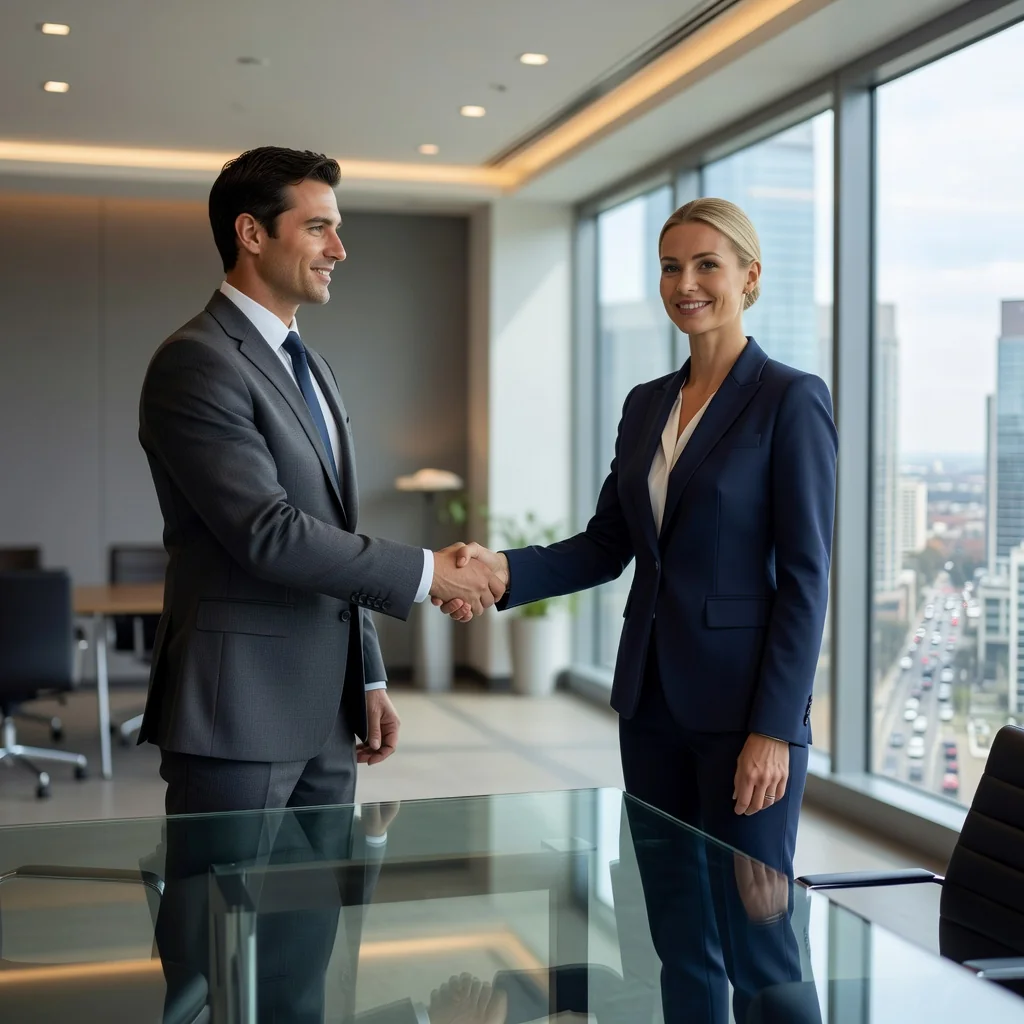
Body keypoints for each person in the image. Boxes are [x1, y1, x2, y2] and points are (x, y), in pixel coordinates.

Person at [439, 197, 837, 877]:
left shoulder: (790, 398)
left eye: (706, 265)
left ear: (749, 275)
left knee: (753, 917)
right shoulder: (646, 403)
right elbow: (607, 543)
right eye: (670, 267)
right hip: (649, 704)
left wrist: (774, 730)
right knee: (667, 911)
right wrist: (500, 569)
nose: (685, 284)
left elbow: (807, 579)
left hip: (743, 711)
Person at [138, 146, 503, 817]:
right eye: (317, 228)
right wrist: (430, 573)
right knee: (217, 890)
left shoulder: (313, 367)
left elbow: (333, 533)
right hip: (237, 709)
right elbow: (268, 533)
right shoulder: (197, 361)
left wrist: (367, 674)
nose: (338, 249)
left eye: (337, 229)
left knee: (326, 889)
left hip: (330, 711)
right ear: (252, 233)